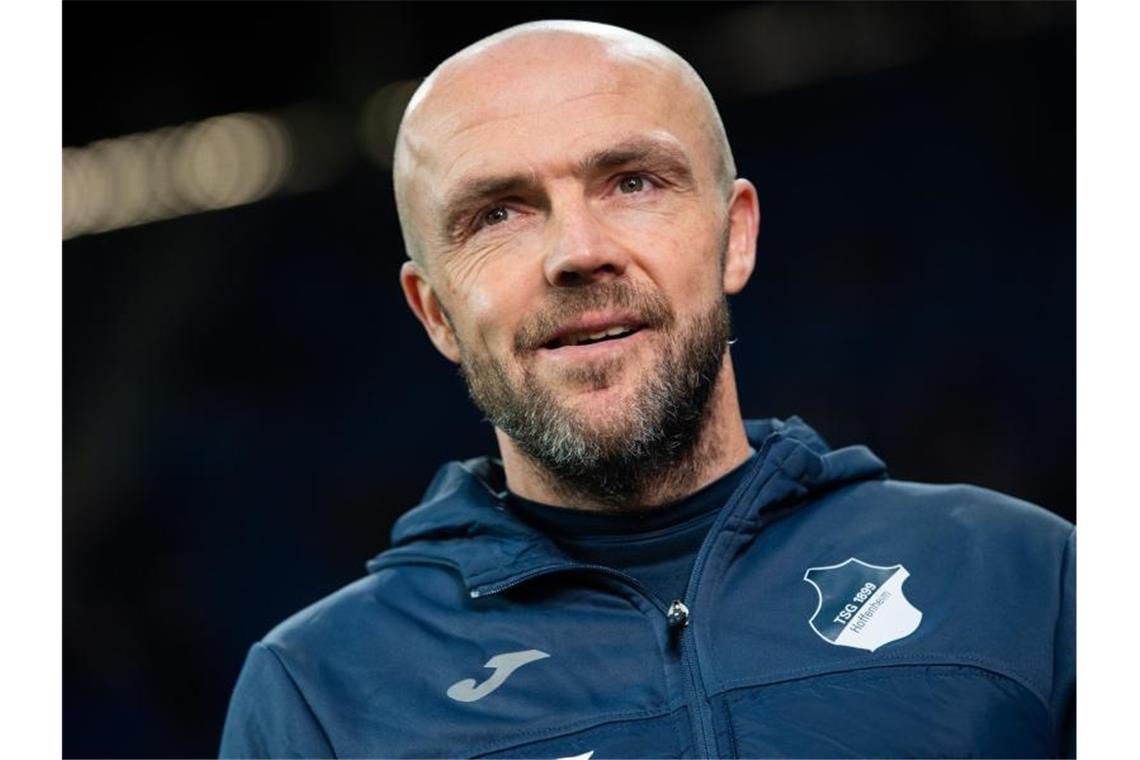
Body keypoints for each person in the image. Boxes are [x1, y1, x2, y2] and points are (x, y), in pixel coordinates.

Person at [220, 20, 1074, 759]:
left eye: (633, 182)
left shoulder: (1026, 577)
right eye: (498, 213)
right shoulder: (321, 694)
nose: (577, 250)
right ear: (436, 311)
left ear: (734, 237)